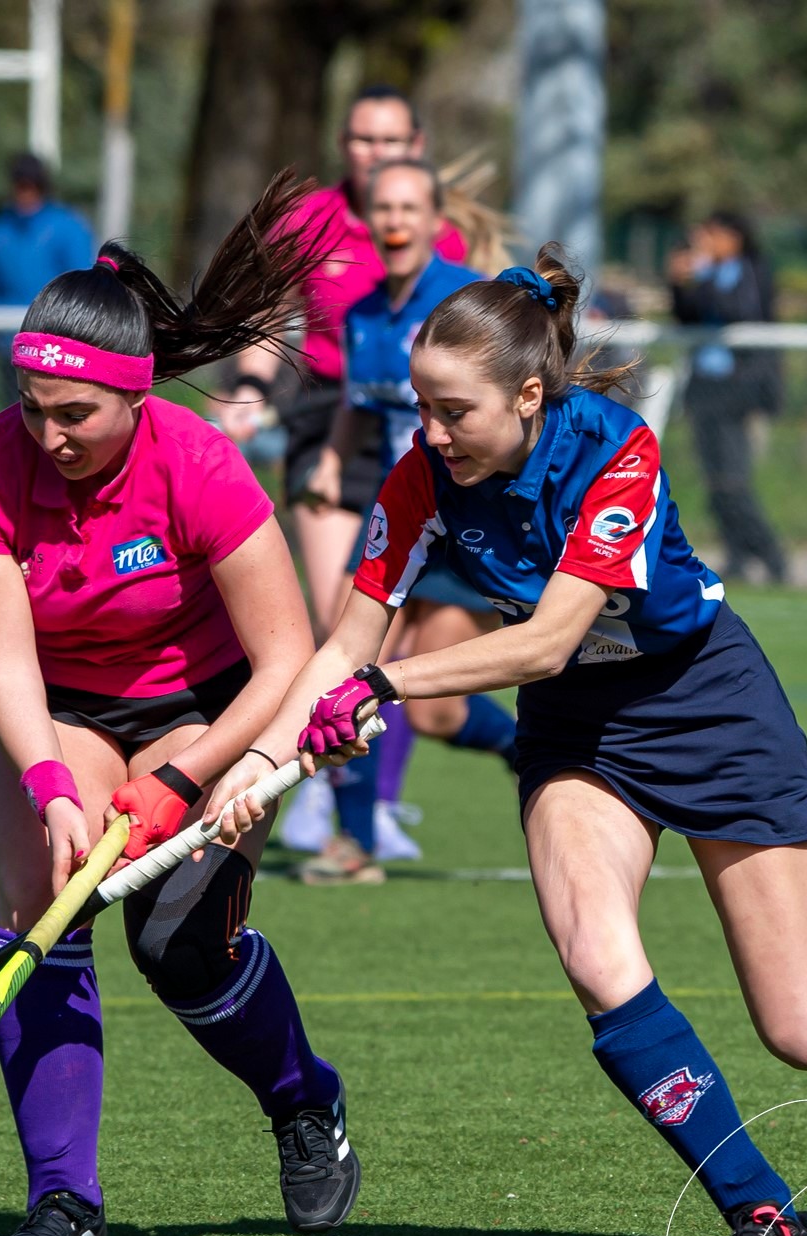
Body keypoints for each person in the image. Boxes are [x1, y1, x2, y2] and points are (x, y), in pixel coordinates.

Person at [206, 248, 807, 1236]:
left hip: (706, 703)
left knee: (806, 1028)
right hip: (578, 730)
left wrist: (391, 687)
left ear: (528, 394)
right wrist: (256, 764)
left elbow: (547, 639)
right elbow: (345, 645)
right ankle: (766, 1217)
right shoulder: (424, 474)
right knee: (595, 955)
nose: (429, 433)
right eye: (421, 407)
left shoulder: (617, 449)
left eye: (452, 411)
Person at [0, 171, 359, 1236]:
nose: (52, 433)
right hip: (58, 703)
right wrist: (51, 788)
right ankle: (65, 1204)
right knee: (38, 915)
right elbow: (8, 661)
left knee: (177, 940)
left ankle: (303, 1100)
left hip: (206, 700)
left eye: (76, 414)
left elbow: (288, 658)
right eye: (34, 408)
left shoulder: (201, 464)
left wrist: (195, 772)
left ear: (134, 398)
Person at [206, 86, 468, 856]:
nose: (375, 153)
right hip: (333, 415)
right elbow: (267, 317)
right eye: (361, 138)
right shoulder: (311, 222)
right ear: (344, 143)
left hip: (415, 424)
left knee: (400, 647)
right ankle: (326, 795)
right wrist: (252, 389)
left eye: (390, 140)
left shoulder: (435, 237)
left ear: (415, 144)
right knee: (341, 620)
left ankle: (371, 802)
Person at [298, 158, 518, 884]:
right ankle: (353, 842)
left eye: (408, 208)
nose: (394, 221)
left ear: (434, 222)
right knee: (348, 662)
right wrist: (333, 462)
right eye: (382, 209)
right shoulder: (362, 315)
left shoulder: (465, 302)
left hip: (473, 517)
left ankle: (526, 749)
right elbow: (357, 406)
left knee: (436, 713)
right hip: (402, 510)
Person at [668, 211, 787, 584]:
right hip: (706, 386)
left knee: (734, 479)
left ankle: (771, 555)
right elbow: (686, 315)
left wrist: (701, 274)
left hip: (739, 388)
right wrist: (678, 282)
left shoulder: (749, 270)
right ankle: (736, 554)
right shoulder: (706, 275)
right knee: (715, 481)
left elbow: (739, 311)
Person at [0, 152, 95, 372]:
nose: (26, 193)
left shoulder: (68, 226)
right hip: (9, 342)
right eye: (21, 185)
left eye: (32, 186)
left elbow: (81, 281)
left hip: (57, 343)